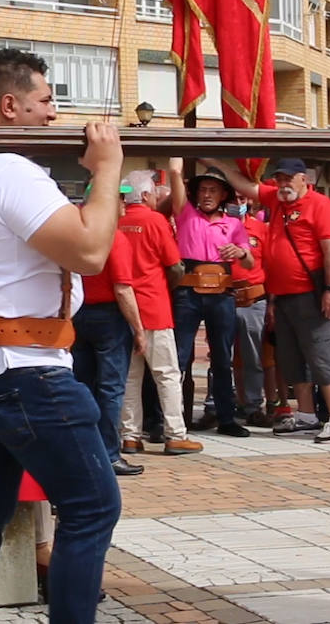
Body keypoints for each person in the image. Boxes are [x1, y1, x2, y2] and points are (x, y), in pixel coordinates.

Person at [0, 47, 123, 623]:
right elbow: (91, 251)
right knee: (92, 507)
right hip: (25, 369)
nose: (53, 114)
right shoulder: (8, 171)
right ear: (10, 105)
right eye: (45, 101)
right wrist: (109, 168)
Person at [206, 157, 330, 442]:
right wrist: (215, 161)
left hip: (311, 293)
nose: (283, 184)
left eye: (288, 179)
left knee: (320, 356)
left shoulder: (321, 206)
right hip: (283, 296)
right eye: (279, 179)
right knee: (292, 358)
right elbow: (245, 185)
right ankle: (307, 415)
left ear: (303, 179)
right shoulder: (277, 200)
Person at [165, 159, 253, 437]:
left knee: (222, 359)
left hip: (222, 296)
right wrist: (176, 167)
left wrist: (241, 253)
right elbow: (176, 177)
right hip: (188, 294)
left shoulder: (234, 224)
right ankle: (171, 420)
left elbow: (250, 262)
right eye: (203, 189)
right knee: (178, 358)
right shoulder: (185, 213)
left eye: (213, 190)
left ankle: (225, 418)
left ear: (223, 194)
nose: (207, 195)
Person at [118, 170, 200, 455]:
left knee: (130, 377)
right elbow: (175, 265)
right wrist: (169, 285)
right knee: (166, 374)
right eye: (153, 192)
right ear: (143, 195)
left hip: (123, 310)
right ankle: (175, 433)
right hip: (154, 306)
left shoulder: (115, 221)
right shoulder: (155, 221)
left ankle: (130, 435)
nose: (155, 197)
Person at [72, 185, 147, 475]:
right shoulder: (114, 238)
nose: (125, 206)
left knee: (84, 385)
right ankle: (109, 454)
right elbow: (123, 289)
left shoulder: (77, 235)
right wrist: (138, 328)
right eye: (120, 200)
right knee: (111, 388)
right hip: (108, 317)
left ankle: (86, 451)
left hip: (79, 313)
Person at [228, 194, 272, 426]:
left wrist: (272, 303)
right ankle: (218, 404)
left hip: (253, 299)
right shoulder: (218, 225)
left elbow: (270, 265)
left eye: (241, 197)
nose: (237, 202)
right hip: (223, 297)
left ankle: (254, 405)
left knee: (253, 356)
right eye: (233, 198)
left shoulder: (259, 229)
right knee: (221, 357)